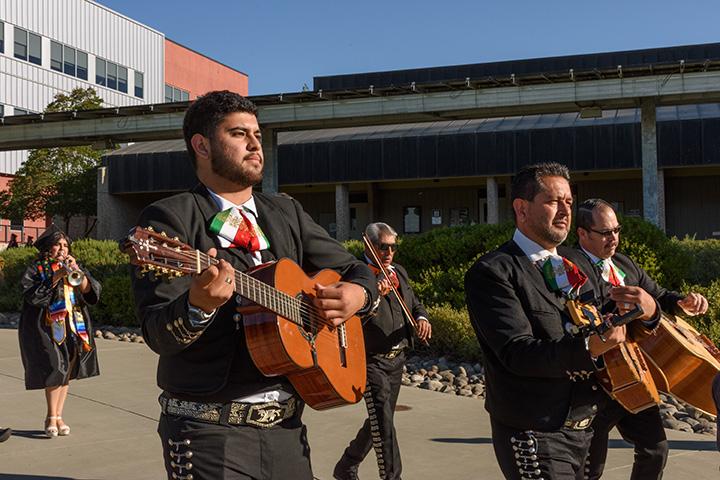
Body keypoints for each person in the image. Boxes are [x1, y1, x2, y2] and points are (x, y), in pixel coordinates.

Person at [131, 90, 378, 480]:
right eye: (238, 133)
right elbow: (158, 333)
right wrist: (198, 305)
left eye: (258, 135)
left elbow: (356, 269)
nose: (253, 144)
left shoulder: (285, 211)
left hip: (287, 429)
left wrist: (357, 295)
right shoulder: (168, 220)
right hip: (210, 431)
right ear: (202, 145)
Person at [464, 162, 649, 479]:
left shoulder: (575, 261)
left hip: (588, 429)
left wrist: (646, 312)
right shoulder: (494, 271)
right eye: (552, 201)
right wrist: (593, 345)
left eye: (568, 202)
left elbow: (606, 320)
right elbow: (516, 353)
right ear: (522, 209)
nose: (565, 211)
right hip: (534, 431)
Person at [576, 198, 709, 480]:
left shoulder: (625, 263)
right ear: (583, 234)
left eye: (617, 230)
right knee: (590, 468)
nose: (614, 238)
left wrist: (682, 302)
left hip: (634, 376)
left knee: (655, 450)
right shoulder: (570, 266)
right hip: (595, 383)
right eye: (605, 232)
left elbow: (657, 295)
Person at [334, 222, 432, 480]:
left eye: (393, 247)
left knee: (379, 420)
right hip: (371, 359)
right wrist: (375, 294)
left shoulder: (398, 271)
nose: (389, 252)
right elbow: (350, 319)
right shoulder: (357, 274)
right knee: (384, 422)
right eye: (383, 246)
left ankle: (347, 464)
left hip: (397, 358)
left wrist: (422, 318)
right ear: (369, 244)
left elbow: (415, 303)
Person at [18, 225, 101, 438]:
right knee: (56, 366)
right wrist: (56, 275)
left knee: (68, 370)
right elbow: (32, 295)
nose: (63, 249)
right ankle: (50, 417)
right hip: (46, 326)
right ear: (48, 247)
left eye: (66, 245)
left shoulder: (73, 265)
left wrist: (79, 273)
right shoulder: (36, 268)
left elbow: (90, 292)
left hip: (74, 324)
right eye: (58, 245)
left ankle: (59, 416)